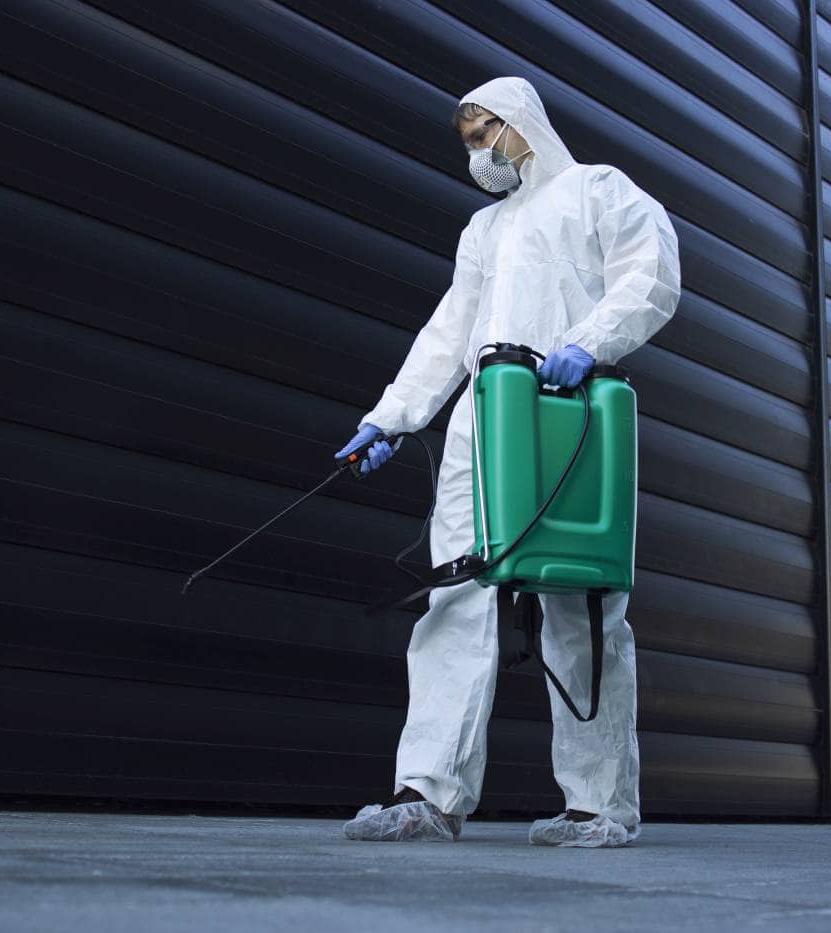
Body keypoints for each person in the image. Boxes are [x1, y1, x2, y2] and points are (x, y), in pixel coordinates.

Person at [334, 76, 681, 847]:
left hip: (568, 412)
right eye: (468, 139)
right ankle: (427, 793)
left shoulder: (597, 191)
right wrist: (392, 416)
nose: (478, 151)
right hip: (483, 419)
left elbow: (651, 270)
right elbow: (448, 328)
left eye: (485, 132)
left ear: (521, 122)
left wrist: (592, 339)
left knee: (578, 601)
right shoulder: (484, 229)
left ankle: (601, 804)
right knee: (452, 597)